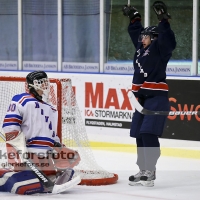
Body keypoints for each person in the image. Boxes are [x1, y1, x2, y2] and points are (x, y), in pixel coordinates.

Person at [122, 1, 176, 187]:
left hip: (157, 99)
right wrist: (134, 17)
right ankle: (142, 169)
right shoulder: (140, 50)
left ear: (154, 38)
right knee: (138, 134)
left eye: (146, 36)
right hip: (142, 100)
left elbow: (168, 41)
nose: (141, 38)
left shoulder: (159, 50)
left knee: (148, 133)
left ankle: (151, 170)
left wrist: (163, 20)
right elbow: (136, 33)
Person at [0, 71, 81, 194]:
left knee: (70, 164)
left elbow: (53, 137)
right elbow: (10, 127)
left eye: (46, 82)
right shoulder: (21, 100)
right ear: (33, 85)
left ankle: (45, 180)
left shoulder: (51, 109)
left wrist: (60, 149)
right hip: (27, 154)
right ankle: (7, 177)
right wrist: (19, 150)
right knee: (26, 185)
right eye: (42, 83)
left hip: (45, 156)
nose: (45, 86)